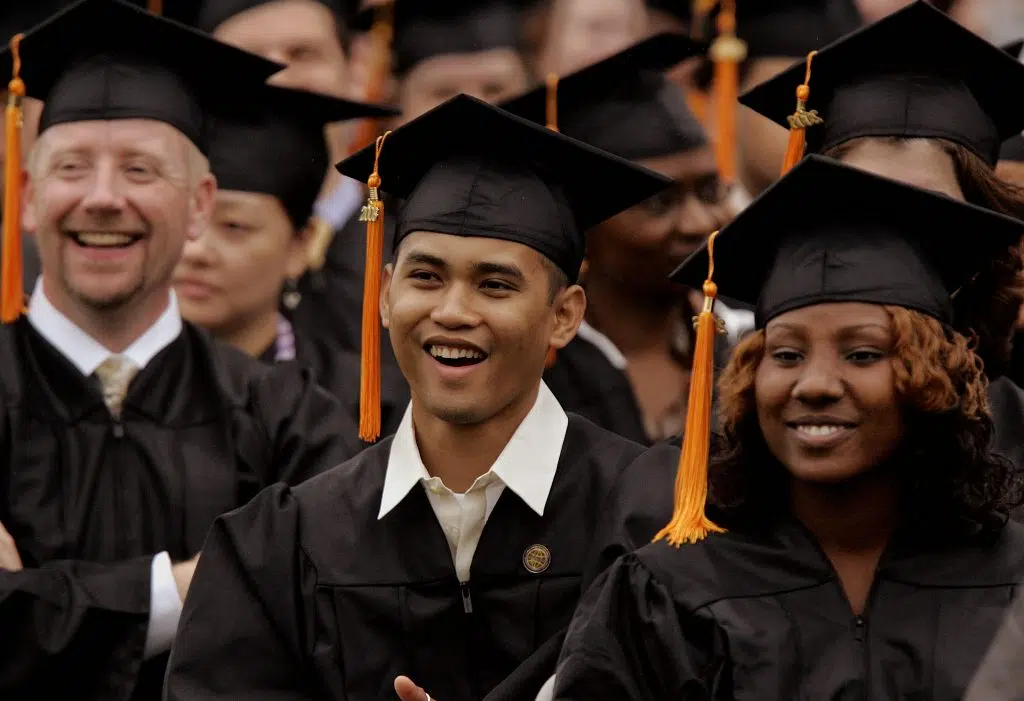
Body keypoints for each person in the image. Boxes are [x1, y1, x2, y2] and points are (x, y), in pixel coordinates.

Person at [163, 93, 674, 701]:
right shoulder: (282, 545)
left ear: (563, 316)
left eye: (495, 284)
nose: (452, 312)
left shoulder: (652, 520)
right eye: (425, 277)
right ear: (383, 296)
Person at [552, 154, 1024, 701]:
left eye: (863, 354)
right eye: (788, 355)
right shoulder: (668, 590)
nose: (815, 384)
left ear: (930, 381)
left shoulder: (1011, 577)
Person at [0, 2, 362, 698]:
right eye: (74, 166)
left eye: (140, 170)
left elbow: (335, 625)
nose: (103, 198)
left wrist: (35, 602)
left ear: (199, 205)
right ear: (25, 195)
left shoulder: (288, 418)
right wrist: (205, 582)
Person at [740, 0, 1024, 472]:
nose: (891, 229)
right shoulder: (731, 445)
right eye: (857, 198)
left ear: (983, 222)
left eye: (929, 208)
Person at [499, 33, 746, 444]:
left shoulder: (752, 339)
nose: (698, 222)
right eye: (660, 204)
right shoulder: (528, 370)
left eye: (709, 192)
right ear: (578, 224)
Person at [174, 82, 408, 437]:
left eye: (234, 226)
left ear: (301, 245)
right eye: (186, 219)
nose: (196, 251)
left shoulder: (366, 406)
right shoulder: (113, 389)